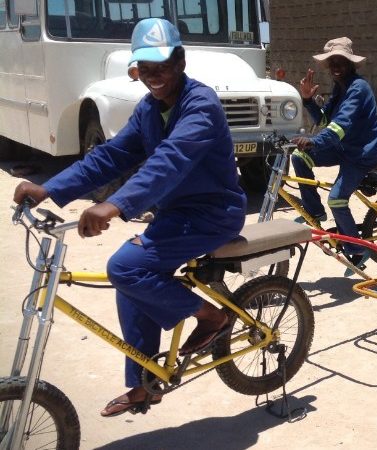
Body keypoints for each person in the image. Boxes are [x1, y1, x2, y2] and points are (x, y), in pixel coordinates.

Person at [12, 18, 246, 416]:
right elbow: (111, 155)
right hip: (175, 214)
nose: (155, 77)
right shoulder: (150, 109)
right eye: (146, 69)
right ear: (137, 70)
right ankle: (143, 384)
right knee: (133, 280)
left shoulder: (200, 105)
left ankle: (212, 318)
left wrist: (114, 205)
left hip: (214, 213)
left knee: (125, 267)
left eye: (163, 67)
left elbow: (170, 162)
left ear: (181, 62)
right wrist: (51, 188)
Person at [290, 37, 377, 271]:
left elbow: (339, 126)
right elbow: (325, 120)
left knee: (337, 198)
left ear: (351, 64)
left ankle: (357, 250)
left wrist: (314, 141)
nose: (335, 67)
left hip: (362, 155)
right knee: (299, 158)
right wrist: (308, 100)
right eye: (332, 62)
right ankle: (315, 212)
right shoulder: (340, 88)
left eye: (340, 62)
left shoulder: (358, 88)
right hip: (343, 149)